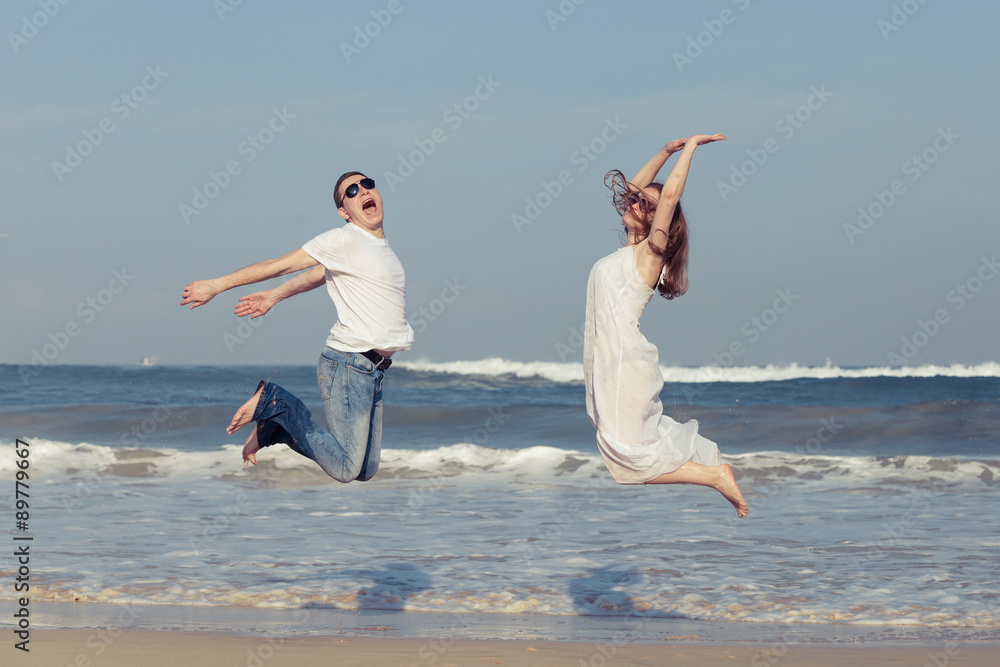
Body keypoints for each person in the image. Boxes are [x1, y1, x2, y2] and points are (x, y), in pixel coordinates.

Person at [179, 172, 413, 482]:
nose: (362, 192)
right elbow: (279, 265)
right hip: (350, 364)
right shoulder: (344, 238)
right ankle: (272, 401)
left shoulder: (375, 248)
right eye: (351, 192)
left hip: (375, 371)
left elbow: (319, 274)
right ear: (345, 212)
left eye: (367, 184)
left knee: (364, 471)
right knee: (345, 468)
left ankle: (273, 428)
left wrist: (275, 296)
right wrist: (217, 285)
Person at [583, 135, 748, 517]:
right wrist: (664, 151)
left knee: (625, 459)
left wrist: (690, 149)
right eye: (637, 200)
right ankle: (713, 475)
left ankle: (715, 476)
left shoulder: (649, 255)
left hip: (625, 363)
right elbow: (637, 189)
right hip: (609, 364)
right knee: (622, 457)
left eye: (648, 206)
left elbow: (669, 198)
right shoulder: (626, 251)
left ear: (661, 222)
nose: (636, 203)